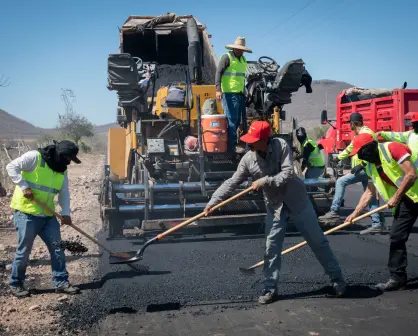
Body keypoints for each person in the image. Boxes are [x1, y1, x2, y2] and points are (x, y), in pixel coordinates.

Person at [203, 120, 347, 304]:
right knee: (271, 247)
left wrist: (265, 181)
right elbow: (232, 182)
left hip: (298, 201)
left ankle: (338, 280)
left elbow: (287, 173)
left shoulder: (281, 146)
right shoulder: (248, 159)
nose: (250, 144)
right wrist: (214, 201)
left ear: (265, 140)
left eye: (254, 140)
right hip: (276, 205)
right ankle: (270, 288)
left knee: (318, 241)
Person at [6, 140, 82, 298]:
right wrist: (24, 186)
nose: (69, 162)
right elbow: (11, 167)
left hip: (48, 216)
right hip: (27, 213)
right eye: (68, 158)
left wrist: (66, 213)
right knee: (24, 250)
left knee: (58, 248)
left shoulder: (62, 169)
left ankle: (61, 282)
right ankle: (16, 284)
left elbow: (63, 193)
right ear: (61, 155)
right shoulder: (35, 157)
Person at [345, 133, 418, 291]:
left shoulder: (392, 148)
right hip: (407, 199)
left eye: (360, 152)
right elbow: (369, 192)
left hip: (412, 193)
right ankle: (397, 277)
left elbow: (411, 174)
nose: (359, 156)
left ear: (369, 148)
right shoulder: (371, 166)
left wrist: (396, 197)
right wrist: (355, 213)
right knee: (397, 236)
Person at [319, 112, 386, 234]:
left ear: (353, 123)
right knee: (370, 196)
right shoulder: (359, 133)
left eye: (349, 124)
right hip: (366, 170)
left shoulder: (367, 134)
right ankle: (378, 223)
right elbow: (351, 148)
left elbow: (374, 154)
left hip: (366, 169)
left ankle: (334, 210)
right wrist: (338, 157)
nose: (349, 126)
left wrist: (362, 165)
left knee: (341, 181)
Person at [215, 37, 251, 153]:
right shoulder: (227, 58)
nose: (239, 51)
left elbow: (240, 78)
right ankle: (230, 149)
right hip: (229, 94)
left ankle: (241, 145)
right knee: (232, 121)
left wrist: (245, 91)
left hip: (240, 94)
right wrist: (218, 89)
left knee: (241, 121)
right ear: (234, 48)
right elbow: (218, 73)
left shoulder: (243, 60)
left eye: (241, 50)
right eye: (238, 49)